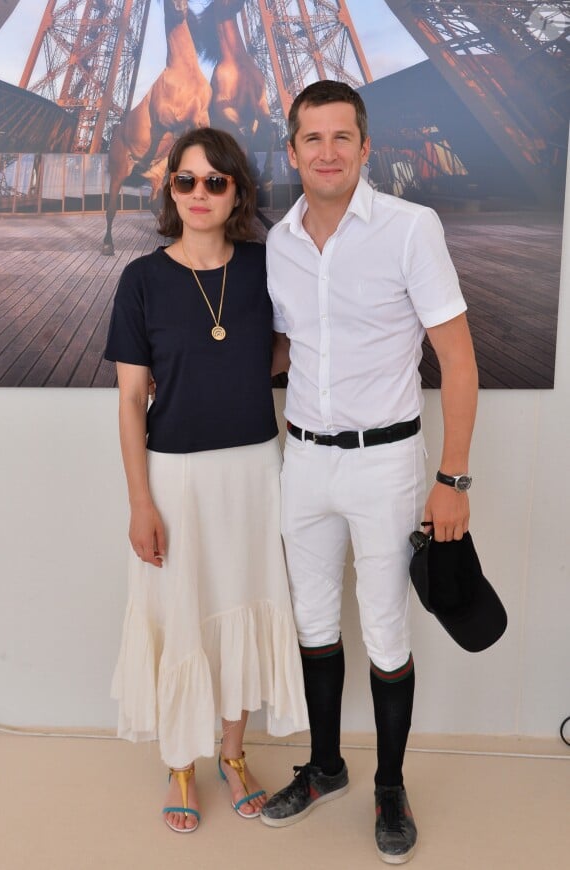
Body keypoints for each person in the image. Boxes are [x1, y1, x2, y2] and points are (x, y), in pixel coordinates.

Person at [260, 81, 478, 865]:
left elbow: (457, 360)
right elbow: (284, 349)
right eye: (311, 139)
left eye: (340, 138)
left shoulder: (411, 229)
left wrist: (452, 479)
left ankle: (390, 785)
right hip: (304, 460)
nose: (326, 152)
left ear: (364, 147)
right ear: (293, 152)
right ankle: (325, 768)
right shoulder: (279, 241)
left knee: (386, 628)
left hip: (388, 462)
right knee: (314, 624)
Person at [104, 127, 308, 834]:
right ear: (169, 189)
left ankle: (231, 754)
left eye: (215, 182)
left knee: (242, 611)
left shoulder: (264, 265)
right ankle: (181, 762)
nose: (199, 194)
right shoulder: (142, 279)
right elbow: (132, 401)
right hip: (175, 477)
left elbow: (292, 344)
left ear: (237, 193)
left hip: (255, 471)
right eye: (185, 181)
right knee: (182, 617)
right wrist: (140, 502)